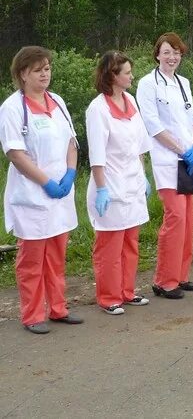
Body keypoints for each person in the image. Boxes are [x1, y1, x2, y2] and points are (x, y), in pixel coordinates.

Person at [0, 46, 83, 333]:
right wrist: (45, 181)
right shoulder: (12, 107)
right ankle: (33, 314)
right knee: (32, 259)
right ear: (23, 74)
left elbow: (72, 141)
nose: (45, 74)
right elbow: (15, 153)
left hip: (61, 190)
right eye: (38, 70)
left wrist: (71, 173)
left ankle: (58, 308)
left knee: (57, 254)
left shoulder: (57, 101)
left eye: (47, 68)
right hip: (32, 194)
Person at [136, 32, 193, 299]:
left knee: (188, 220)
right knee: (174, 218)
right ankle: (164, 281)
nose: (172, 57)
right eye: (167, 52)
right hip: (167, 160)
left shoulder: (184, 82)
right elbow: (154, 126)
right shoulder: (147, 84)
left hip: (189, 160)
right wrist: (182, 150)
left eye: (176, 53)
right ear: (157, 54)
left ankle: (181, 275)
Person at [86, 51, 152, 315]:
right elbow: (97, 155)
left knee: (130, 242)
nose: (131, 76)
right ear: (112, 75)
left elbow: (140, 146)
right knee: (109, 246)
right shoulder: (98, 109)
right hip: (110, 183)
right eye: (127, 72)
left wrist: (143, 174)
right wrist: (102, 188)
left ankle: (127, 291)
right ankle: (108, 296)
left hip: (133, 181)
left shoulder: (132, 101)